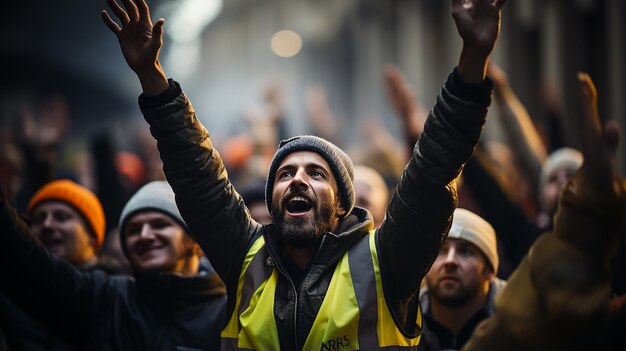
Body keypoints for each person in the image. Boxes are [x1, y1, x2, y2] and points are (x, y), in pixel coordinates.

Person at [101, 0, 505, 349]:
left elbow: (432, 172)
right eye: (284, 174)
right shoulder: (244, 258)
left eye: (316, 173)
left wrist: (472, 57)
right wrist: (151, 76)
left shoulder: (388, 264)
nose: (296, 180)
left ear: (343, 203)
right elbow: (196, 174)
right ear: (273, 200)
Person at [462, 74, 626, 350]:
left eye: (573, 178)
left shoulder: (616, 254)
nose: (563, 183)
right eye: (554, 178)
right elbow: (491, 191)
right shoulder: (528, 235)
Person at [0, 181, 227, 350]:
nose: (145, 235)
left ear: (194, 241)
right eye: (133, 230)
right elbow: (34, 266)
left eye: (160, 224)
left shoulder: (230, 308)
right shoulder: (108, 298)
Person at [419, 208, 505, 350]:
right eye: (440, 250)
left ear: (489, 270)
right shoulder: (404, 323)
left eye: (465, 251)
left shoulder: (521, 317)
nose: (450, 261)